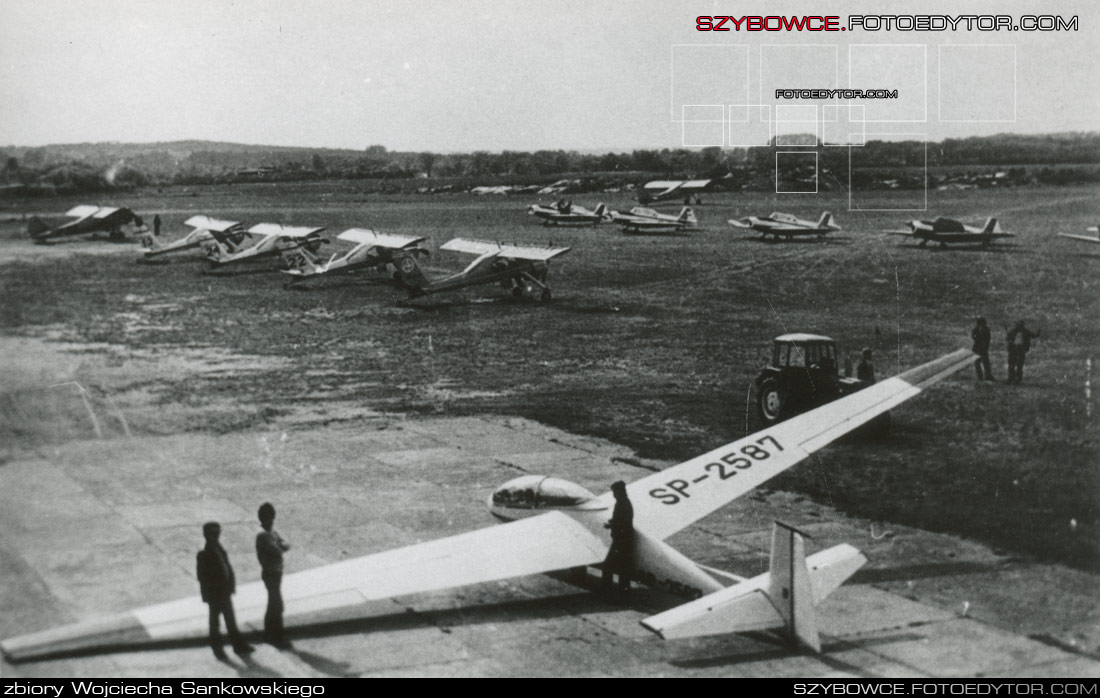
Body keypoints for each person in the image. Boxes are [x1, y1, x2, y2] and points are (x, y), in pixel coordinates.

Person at [196, 522, 253, 659]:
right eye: (213, 534)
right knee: (216, 623)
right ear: (206, 536)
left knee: (229, 620)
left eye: (217, 534)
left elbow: (226, 568)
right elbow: (202, 577)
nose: (216, 537)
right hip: (215, 594)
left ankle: (237, 646)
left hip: (224, 592)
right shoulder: (204, 554)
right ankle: (219, 649)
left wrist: (230, 586)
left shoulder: (219, 550)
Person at [256, 502, 292, 648]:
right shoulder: (264, 535)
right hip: (271, 572)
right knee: (276, 605)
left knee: (274, 603)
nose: (271, 520)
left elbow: (284, 544)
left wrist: (281, 545)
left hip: (276, 572)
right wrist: (281, 546)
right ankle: (275, 636)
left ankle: (271, 634)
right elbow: (278, 549)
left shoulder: (271, 533)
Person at [602, 481, 634, 596]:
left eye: (614, 492)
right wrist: (612, 522)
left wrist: (610, 525)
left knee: (608, 566)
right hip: (625, 539)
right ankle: (623, 594)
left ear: (620, 492)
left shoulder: (622, 504)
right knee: (623, 570)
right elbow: (621, 519)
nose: (613, 495)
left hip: (621, 540)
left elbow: (622, 522)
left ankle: (607, 593)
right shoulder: (624, 503)